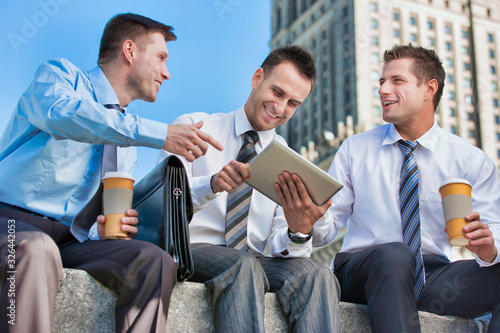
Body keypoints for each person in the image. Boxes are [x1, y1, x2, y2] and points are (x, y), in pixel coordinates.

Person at [0, 13, 222, 333]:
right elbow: (62, 116)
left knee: (154, 260)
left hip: (70, 241)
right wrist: (161, 134)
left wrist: (103, 231)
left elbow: (94, 223)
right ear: (130, 51)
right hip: (11, 226)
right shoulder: (60, 77)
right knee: (36, 247)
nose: (167, 73)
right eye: (160, 58)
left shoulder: (125, 143)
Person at [158, 45, 340, 332]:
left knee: (317, 275)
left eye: (293, 103)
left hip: (254, 261)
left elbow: (286, 250)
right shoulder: (195, 126)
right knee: (243, 265)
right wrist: (212, 184)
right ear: (257, 78)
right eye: (277, 93)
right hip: (191, 249)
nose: (280, 108)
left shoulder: (288, 161)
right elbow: (163, 200)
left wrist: (299, 231)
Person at [319, 44, 500, 332]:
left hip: (433, 278)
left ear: (429, 88)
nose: (383, 90)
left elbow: (495, 229)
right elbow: (326, 227)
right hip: (363, 274)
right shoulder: (355, 149)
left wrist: (489, 248)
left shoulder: (470, 159)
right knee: (395, 255)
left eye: (396, 81)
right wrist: (307, 221)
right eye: (382, 82)